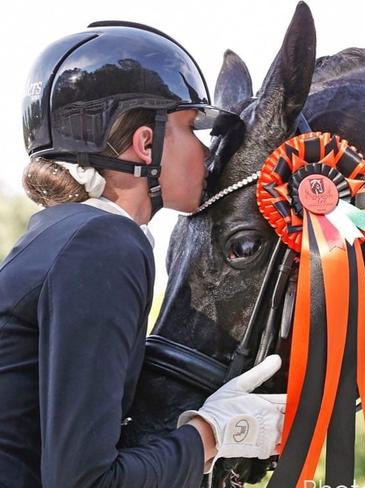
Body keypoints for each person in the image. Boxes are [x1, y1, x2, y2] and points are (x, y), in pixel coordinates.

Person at [0, 21, 286, 488]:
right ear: (145, 144)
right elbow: (85, 482)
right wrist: (211, 436)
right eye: (191, 130)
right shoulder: (104, 244)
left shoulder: (59, 236)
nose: (205, 153)